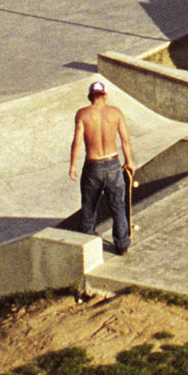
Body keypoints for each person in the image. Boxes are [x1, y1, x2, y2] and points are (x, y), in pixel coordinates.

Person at [70, 80, 135, 255]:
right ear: (105, 95)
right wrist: (129, 162)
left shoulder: (82, 114)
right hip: (113, 164)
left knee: (89, 205)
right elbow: (125, 140)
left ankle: (88, 243)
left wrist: (72, 165)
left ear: (90, 97)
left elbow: (77, 142)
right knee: (118, 206)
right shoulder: (116, 113)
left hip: (93, 165)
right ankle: (121, 245)